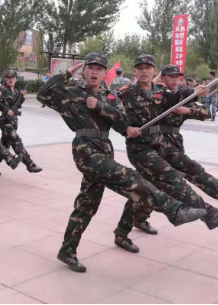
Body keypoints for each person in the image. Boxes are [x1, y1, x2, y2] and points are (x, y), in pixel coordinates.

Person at [37, 53, 208, 273]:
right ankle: (174, 209)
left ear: (104, 72)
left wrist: (111, 115)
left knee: (87, 205)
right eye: (91, 68)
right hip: (85, 149)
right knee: (132, 177)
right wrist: (66, 73)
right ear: (84, 70)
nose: (95, 72)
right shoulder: (71, 92)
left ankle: (67, 250)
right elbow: (43, 94)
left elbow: (121, 122)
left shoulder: (110, 97)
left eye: (100, 68)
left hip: (104, 149)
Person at [114, 55, 218, 248]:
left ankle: (123, 231)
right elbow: (112, 112)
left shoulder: (162, 92)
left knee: (147, 190)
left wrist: (196, 92)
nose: (144, 71)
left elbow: (182, 97)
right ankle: (211, 215)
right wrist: (125, 129)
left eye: (148, 67)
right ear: (135, 72)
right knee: (171, 180)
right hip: (140, 147)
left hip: (161, 145)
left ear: (154, 71)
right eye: (140, 68)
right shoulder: (126, 92)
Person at [132, 64, 218, 234]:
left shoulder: (181, 94)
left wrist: (186, 110)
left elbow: (205, 112)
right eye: (171, 76)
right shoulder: (156, 93)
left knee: (165, 183)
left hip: (173, 143)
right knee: (169, 184)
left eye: (178, 77)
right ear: (162, 77)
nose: (175, 80)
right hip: (156, 144)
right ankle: (217, 209)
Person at [0, 70, 42, 173]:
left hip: (14, 121)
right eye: (8, 78)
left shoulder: (17, 92)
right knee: (16, 141)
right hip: (5, 121)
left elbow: (17, 106)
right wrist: (6, 110)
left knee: (5, 145)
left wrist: (22, 98)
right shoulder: (2, 90)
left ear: (16, 79)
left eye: (12, 78)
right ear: (5, 79)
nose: (10, 80)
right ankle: (29, 164)